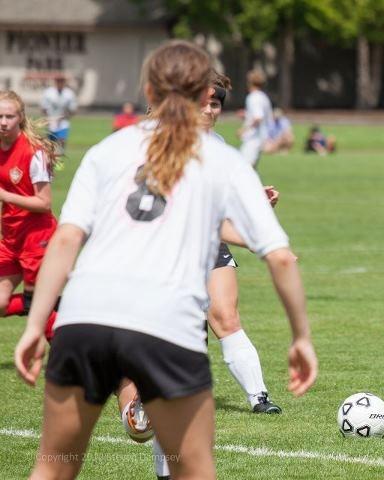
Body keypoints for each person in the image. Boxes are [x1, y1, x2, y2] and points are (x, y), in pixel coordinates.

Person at [14, 40, 318, 480]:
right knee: (191, 468)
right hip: (164, 323)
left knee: (53, 468)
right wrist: (301, 337)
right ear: (203, 97)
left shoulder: (109, 150)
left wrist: (33, 324)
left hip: (84, 320)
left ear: (149, 93)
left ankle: (132, 405)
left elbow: (65, 241)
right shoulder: (219, 159)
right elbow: (283, 259)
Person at [117, 69, 284, 480]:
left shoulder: (220, 148)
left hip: (206, 250)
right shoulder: (148, 145)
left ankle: (258, 396)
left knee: (217, 325)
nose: (210, 110)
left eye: (216, 103)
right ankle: (134, 407)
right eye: (203, 101)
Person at [0, 91, 60, 340]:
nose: (3, 121)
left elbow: (44, 203)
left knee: (40, 306)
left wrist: (6, 197)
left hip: (38, 237)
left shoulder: (34, 152)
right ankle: (52, 304)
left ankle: (64, 358)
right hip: (10, 239)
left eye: (9, 116)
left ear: (20, 118)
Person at [237, 69, 273, 168]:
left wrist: (244, 130)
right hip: (261, 137)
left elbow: (258, 117)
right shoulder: (262, 96)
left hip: (254, 138)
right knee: (250, 169)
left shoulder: (253, 97)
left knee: (243, 168)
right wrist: (246, 115)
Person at [40, 74, 77, 154]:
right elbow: (43, 107)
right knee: (50, 142)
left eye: (61, 81)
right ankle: (50, 158)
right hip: (51, 120)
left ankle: (60, 157)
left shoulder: (69, 94)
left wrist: (65, 116)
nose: (60, 83)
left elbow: (73, 109)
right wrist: (48, 118)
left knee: (62, 140)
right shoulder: (48, 92)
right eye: (58, 81)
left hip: (63, 121)